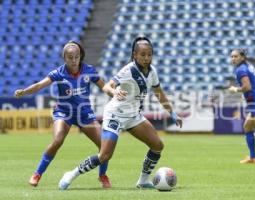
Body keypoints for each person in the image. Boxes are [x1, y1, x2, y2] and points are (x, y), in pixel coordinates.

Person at [58, 36, 183, 190]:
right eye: (142, 55)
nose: (146, 58)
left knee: (157, 145)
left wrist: (172, 113)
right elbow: (108, 86)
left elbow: (159, 93)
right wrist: (114, 91)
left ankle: (143, 181)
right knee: (104, 156)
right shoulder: (128, 70)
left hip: (133, 116)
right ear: (134, 55)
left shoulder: (152, 72)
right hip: (115, 115)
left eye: (149, 54)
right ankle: (71, 174)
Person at [14, 41, 112, 188]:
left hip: (84, 114)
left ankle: (102, 175)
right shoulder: (59, 72)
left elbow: (104, 86)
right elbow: (40, 85)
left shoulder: (89, 70)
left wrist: (114, 92)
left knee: (104, 145)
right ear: (64, 58)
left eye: (76, 57)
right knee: (58, 140)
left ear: (80, 57)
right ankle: (37, 174)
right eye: (70, 57)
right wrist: (25, 91)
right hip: (64, 113)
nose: (74, 60)